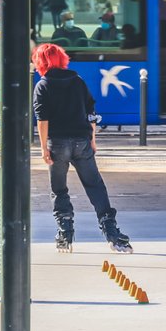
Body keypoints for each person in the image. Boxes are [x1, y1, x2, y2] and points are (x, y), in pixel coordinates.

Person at [31, 43, 132, 253]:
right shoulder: (77, 81)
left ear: (40, 62)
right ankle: (112, 234)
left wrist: (43, 147)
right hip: (81, 141)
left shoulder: (43, 85)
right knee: (95, 186)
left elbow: (42, 119)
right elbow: (91, 112)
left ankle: (65, 234)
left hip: (57, 144)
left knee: (59, 189)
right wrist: (92, 139)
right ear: (61, 59)